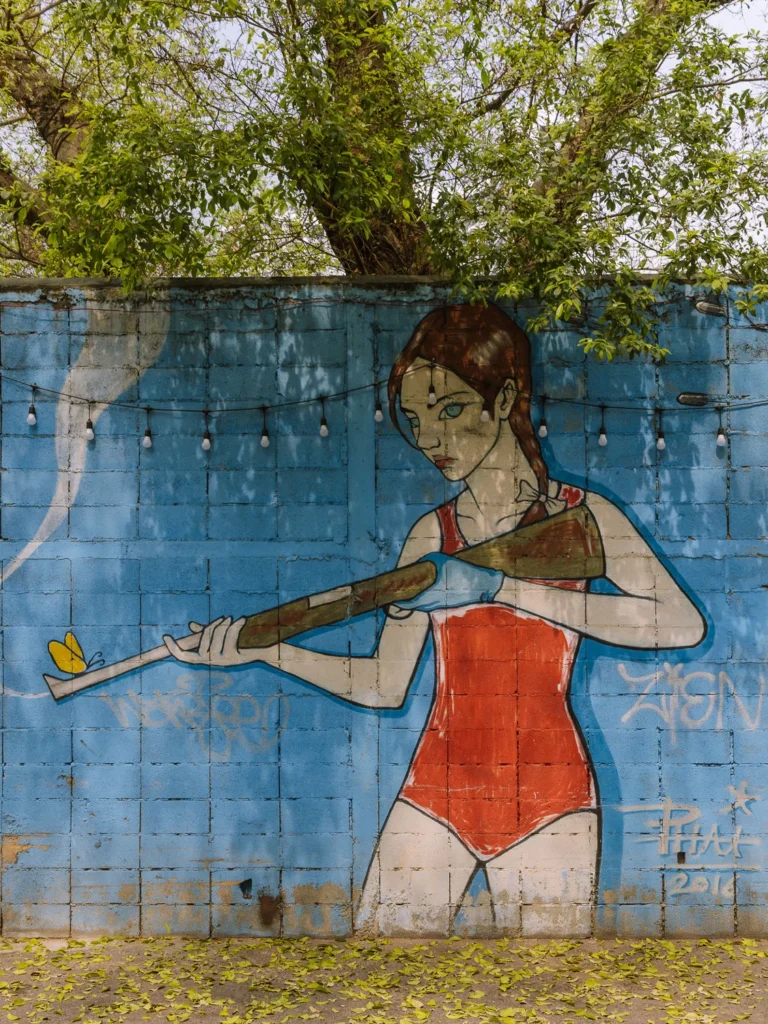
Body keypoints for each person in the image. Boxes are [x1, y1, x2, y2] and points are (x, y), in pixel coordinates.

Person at [163, 303, 706, 937]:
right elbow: (382, 684)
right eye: (418, 420)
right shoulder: (432, 535)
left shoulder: (584, 517)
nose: (431, 441)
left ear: (502, 400)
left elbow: (679, 623)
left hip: (552, 797)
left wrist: (497, 587)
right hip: (436, 790)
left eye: (449, 411)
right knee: (376, 973)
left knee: (549, 991)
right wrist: (265, 651)